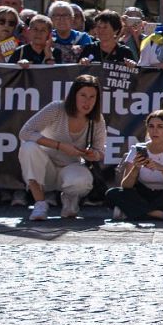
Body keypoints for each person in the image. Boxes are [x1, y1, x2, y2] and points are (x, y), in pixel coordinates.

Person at [18, 74, 107, 220]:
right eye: (83, 95)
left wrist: (93, 154)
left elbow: (100, 151)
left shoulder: (96, 120)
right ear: (74, 95)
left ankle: (70, 199)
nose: (87, 101)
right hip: (45, 167)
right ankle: (40, 203)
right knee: (28, 147)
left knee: (82, 181)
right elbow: (25, 132)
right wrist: (60, 146)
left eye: (92, 97)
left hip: (70, 167)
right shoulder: (57, 108)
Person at [106, 108, 163, 223]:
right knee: (112, 194)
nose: (154, 131)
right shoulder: (137, 149)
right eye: (151, 126)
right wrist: (136, 167)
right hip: (143, 192)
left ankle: (130, 211)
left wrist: (162, 169)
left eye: (160, 127)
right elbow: (126, 186)